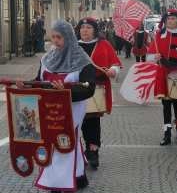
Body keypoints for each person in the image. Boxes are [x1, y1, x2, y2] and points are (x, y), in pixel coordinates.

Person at [16, 19, 96, 192]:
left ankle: (57, 183)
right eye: (52, 37)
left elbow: (89, 89)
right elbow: (40, 81)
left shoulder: (83, 61)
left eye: (59, 37)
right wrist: (27, 85)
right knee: (55, 141)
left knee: (63, 142)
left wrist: (66, 92)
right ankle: (79, 177)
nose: (55, 41)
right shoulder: (47, 59)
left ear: (68, 37)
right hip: (46, 110)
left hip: (71, 111)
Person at [76, 17, 122, 168]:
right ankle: (86, 147)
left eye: (88, 27)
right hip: (78, 87)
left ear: (95, 30)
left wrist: (113, 71)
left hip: (98, 86)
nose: (85, 30)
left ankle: (93, 151)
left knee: (93, 120)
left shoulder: (104, 44)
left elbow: (115, 63)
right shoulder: (73, 46)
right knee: (81, 120)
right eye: (82, 28)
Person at [147, 9, 177, 146]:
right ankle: (167, 133)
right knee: (166, 104)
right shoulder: (159, 35)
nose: (170, 21)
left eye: (173, 19)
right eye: (168, 19)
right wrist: (154, 57)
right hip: (164, 71)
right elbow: (149, 56)